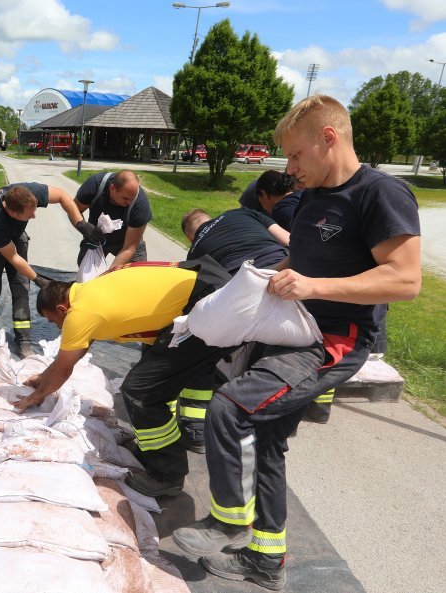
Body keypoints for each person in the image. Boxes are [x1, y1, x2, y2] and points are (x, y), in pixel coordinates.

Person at [172, 95, 421, 590]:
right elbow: (302, 264)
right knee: (266, 441)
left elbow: (406, 281)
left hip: (335, 340)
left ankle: (228, 520)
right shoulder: (309, 199)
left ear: (328, 138)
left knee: (230, 409)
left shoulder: (380, 194)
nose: (289, 168)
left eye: (295, 155)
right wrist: (262, 282)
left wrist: (312, 287)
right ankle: (266, 561)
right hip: (293, 328)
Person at [14, 258, 235, 497]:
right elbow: (75, 353)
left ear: (61, 309)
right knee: (150, 382)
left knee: (141, 392)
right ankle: (154, 452)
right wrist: (43, 377)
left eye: (53, 321)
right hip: (205, 292)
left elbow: (64, 367)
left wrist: (37, 396)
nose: (57, 327)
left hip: (205, 307)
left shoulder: (81, 313)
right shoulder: (90, 291)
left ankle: (167, 475)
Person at [175, 207, 290, 452]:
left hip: (241, 286)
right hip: (285, 272)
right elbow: (290, 239)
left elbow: (201, 293)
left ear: (189, 237)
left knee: (197, 348)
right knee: (279, 354)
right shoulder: (245, 213)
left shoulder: (194, 251)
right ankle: (274, 423)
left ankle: (196, 429)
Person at [0, 182, 86, 360]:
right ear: (12, 213)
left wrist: (81, 225)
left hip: (16, 236)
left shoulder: (26, 193)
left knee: (21, 287)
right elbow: (14, 258)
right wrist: (38, 279)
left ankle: (23, 342)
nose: (34, 216)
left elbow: (62, 196)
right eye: (30, 214)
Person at [73, 171, 152, 271]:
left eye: (133, 198)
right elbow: (73, 210)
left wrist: (109, 275)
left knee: (136, 274)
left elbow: (129, 248)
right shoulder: (95, 185)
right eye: (126, 198)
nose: (129, 203)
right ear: (112, 188)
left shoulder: (140, 204)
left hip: (127, 240)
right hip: (96, 236)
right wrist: (84, 227)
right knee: (87, 273)